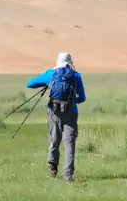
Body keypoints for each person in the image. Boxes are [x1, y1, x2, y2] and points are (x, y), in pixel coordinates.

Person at [26, 53, 86, 183]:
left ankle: (53, 170)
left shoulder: (51, 74)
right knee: (69, 144)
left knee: (54, 140)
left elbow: (30, 84)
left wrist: (48, 85)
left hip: (54, 112)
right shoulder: (76, 75)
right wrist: (72, 102)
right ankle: (68, 176)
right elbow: (82, 97)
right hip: (71, 113)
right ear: (71, 62)